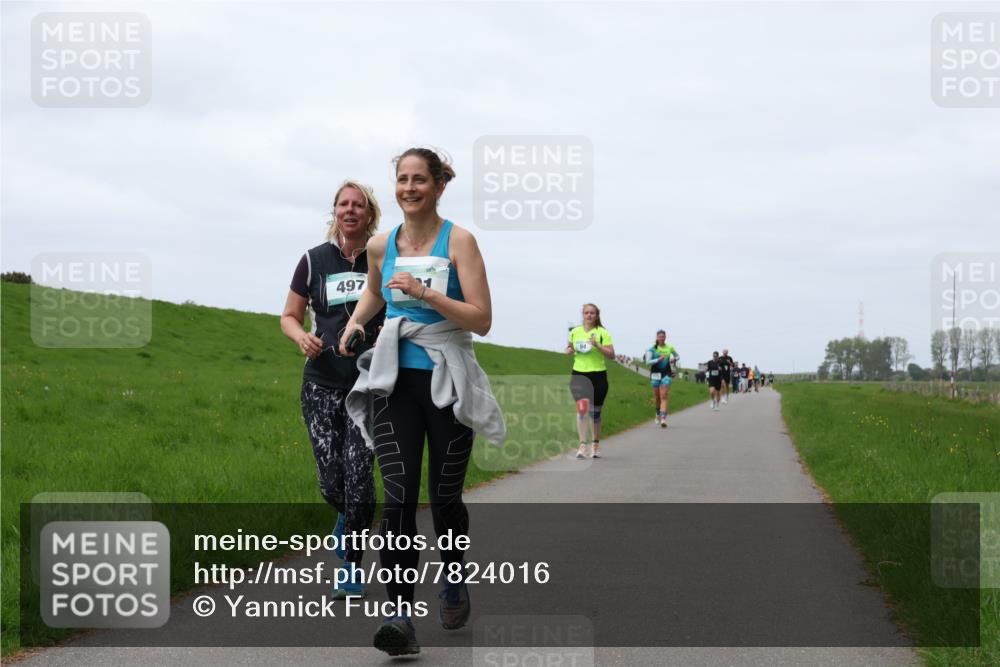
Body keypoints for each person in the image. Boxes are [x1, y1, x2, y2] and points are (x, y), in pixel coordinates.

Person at [339, 148, 502, 657]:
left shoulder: (461, 241)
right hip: (395, 385)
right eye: (402, 180)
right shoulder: (381, 243)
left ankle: (453, 578)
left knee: (445, 497)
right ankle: (400, 615)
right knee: (400, 498)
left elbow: (481, 319)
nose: (409, 188)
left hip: (448, 382)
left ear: (439, 185)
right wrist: (356, 321)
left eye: (419, 180)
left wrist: (428, 295)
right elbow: (375, 293)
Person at [280, 180, 385, 599]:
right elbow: (289, 315)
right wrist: (300, 337)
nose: (350, 210)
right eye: (343, 204)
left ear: (369, 213)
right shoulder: (313, 260)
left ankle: (351, 567)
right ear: (334, 212)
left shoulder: (383, 257)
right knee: (332, 484)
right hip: (321, 384)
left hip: (369, 385)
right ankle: (344, 520)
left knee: (359, 480)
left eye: (358, 205)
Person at [565, 304, 615, 458]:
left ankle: (595, 444)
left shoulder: (602, 333)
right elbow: (569, 347)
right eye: (586, 313)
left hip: (598, 375)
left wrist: (597, 345)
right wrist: (569, 350)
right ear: (583, 314)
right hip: (579, 374)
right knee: (582, 409)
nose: (589, 315)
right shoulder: (575, 332)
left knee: (595, 412)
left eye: (592, 313)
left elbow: (611, 355)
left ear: (597, 315)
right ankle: (582, 446)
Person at [645, 329, 679, 427]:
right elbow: (647, 362)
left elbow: (678, 356)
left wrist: (674, 359)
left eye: (663, 336)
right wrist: (657, 359)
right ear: (657, 337)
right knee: (657, 397)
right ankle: (657, 413)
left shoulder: (670, 347)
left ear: (665, 337)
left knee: (664, 395)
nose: (661, 338)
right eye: (660, 336)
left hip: (666, 374)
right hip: (655, 374)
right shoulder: (653, 348)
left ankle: (663, 419)